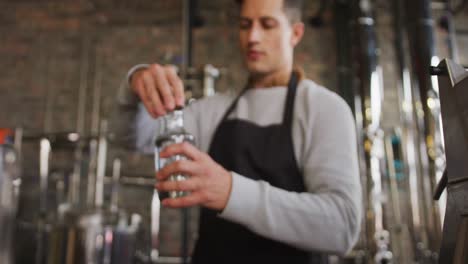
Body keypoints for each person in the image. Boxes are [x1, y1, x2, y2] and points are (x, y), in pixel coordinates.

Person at [115, 0, 362, 263]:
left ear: (296, 33)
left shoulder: (323, 109)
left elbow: (342, 227)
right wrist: (134, 84)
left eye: (267, 25)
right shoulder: (212, 111)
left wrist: (231, 192)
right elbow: (133, 138)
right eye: (245, 25)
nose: (253, 37)